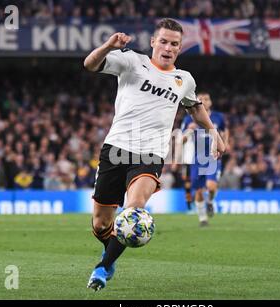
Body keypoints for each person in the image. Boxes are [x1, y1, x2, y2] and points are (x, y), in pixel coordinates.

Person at [83, 18, 225, 291]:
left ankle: (102, 268)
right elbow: (89, 64)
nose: (168, 47)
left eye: (174, 44)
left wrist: (214, 133)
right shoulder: (132, 62)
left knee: (134, 210)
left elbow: (194, 108)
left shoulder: (184, 80)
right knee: (102, 224)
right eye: (164, 41)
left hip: (150, 154)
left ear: (180, 48)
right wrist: (109, 45)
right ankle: (110, 255)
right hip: (116, 150)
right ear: (153, 42)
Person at [180, 92, 228, 226]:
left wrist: (225, 142)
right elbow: (181, 140)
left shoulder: (218, 117)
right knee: (199, 191)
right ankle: (203, 219)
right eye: (200, 99)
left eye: (206, 99)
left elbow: (224, 131)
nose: (203, 101)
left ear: (210, 102)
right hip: (197, 159)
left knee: (211, 187)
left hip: (213, 157)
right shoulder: (189, 119)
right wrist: (188, 132)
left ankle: (211, 202)